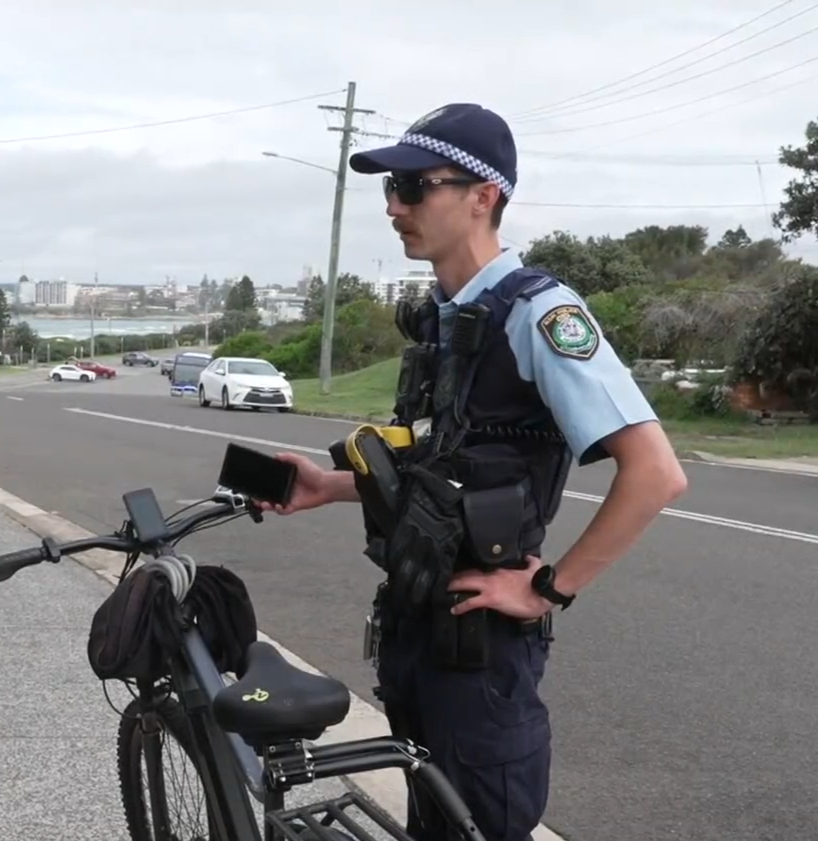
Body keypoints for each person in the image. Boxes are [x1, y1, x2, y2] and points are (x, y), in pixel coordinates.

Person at [262, 104, 688, 840]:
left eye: (412, 186)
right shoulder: (442, 317)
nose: (394, 206)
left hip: (479, 653)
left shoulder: (539, 314)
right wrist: (327, 483)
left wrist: (548, 587)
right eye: (388, 190)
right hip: (416, 628)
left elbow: (654, 473)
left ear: (482, 195)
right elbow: (437, 456)